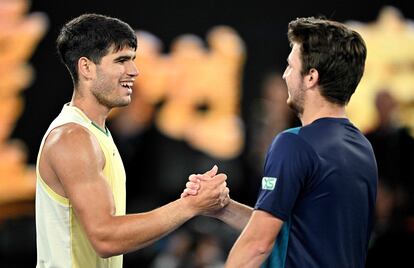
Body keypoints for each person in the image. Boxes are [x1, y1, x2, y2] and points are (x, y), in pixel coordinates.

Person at [35, 13, 229, 268]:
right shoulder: (73, 138)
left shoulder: (95, 132)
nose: (134, 71)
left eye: (133, 60)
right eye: (121, 60)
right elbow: (106, 238)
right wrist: (191, 206)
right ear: (86, 68)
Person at [183, 17, 378, 268]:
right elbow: (289, 233)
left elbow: (257, 245)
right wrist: (224, 208)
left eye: (290, 66)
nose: (285, 75)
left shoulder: (293, 143)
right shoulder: (363, 148)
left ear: (311, 77)